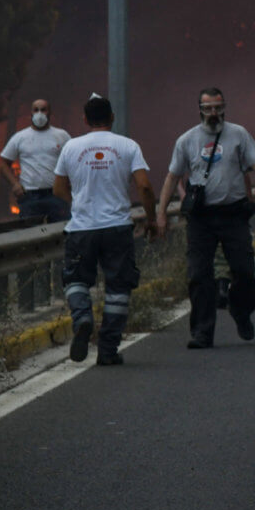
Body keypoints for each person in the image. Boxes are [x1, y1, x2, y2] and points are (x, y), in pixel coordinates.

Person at [157, 87, 255, 349]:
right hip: (202, 219)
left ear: (224, 107)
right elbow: (172, 177)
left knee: (245, 271)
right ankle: (202, 333)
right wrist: (161, 214)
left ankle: (241, 312)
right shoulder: (186, 140)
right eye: (208, 108)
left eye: (218, 107)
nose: (213, 113)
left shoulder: (238, 134)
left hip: (233, 214)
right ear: (199, 109)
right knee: (199, 275)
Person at [52, 94, 157, 367]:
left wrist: (78, 203)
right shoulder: (128, 146)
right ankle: (108, 349)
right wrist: (152, 220)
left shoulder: (71, 147)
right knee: (118, 288)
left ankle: (83, 318)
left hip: (81, 229)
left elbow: (58, 188)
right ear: (112, 117)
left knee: (75, 280)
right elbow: (144, 187)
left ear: (85, 120)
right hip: (117, 228)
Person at [0, 98, 71, 221]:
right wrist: (15, 184)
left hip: (56, 194)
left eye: (43, 110)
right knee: (30, 233)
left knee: (61, 232)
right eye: (36, 110)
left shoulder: (62, 135)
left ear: (49, 113)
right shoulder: (20, 137)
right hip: (29, 196)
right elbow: (4, 164)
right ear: (31, 114)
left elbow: (73, 161)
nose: (39, 113)